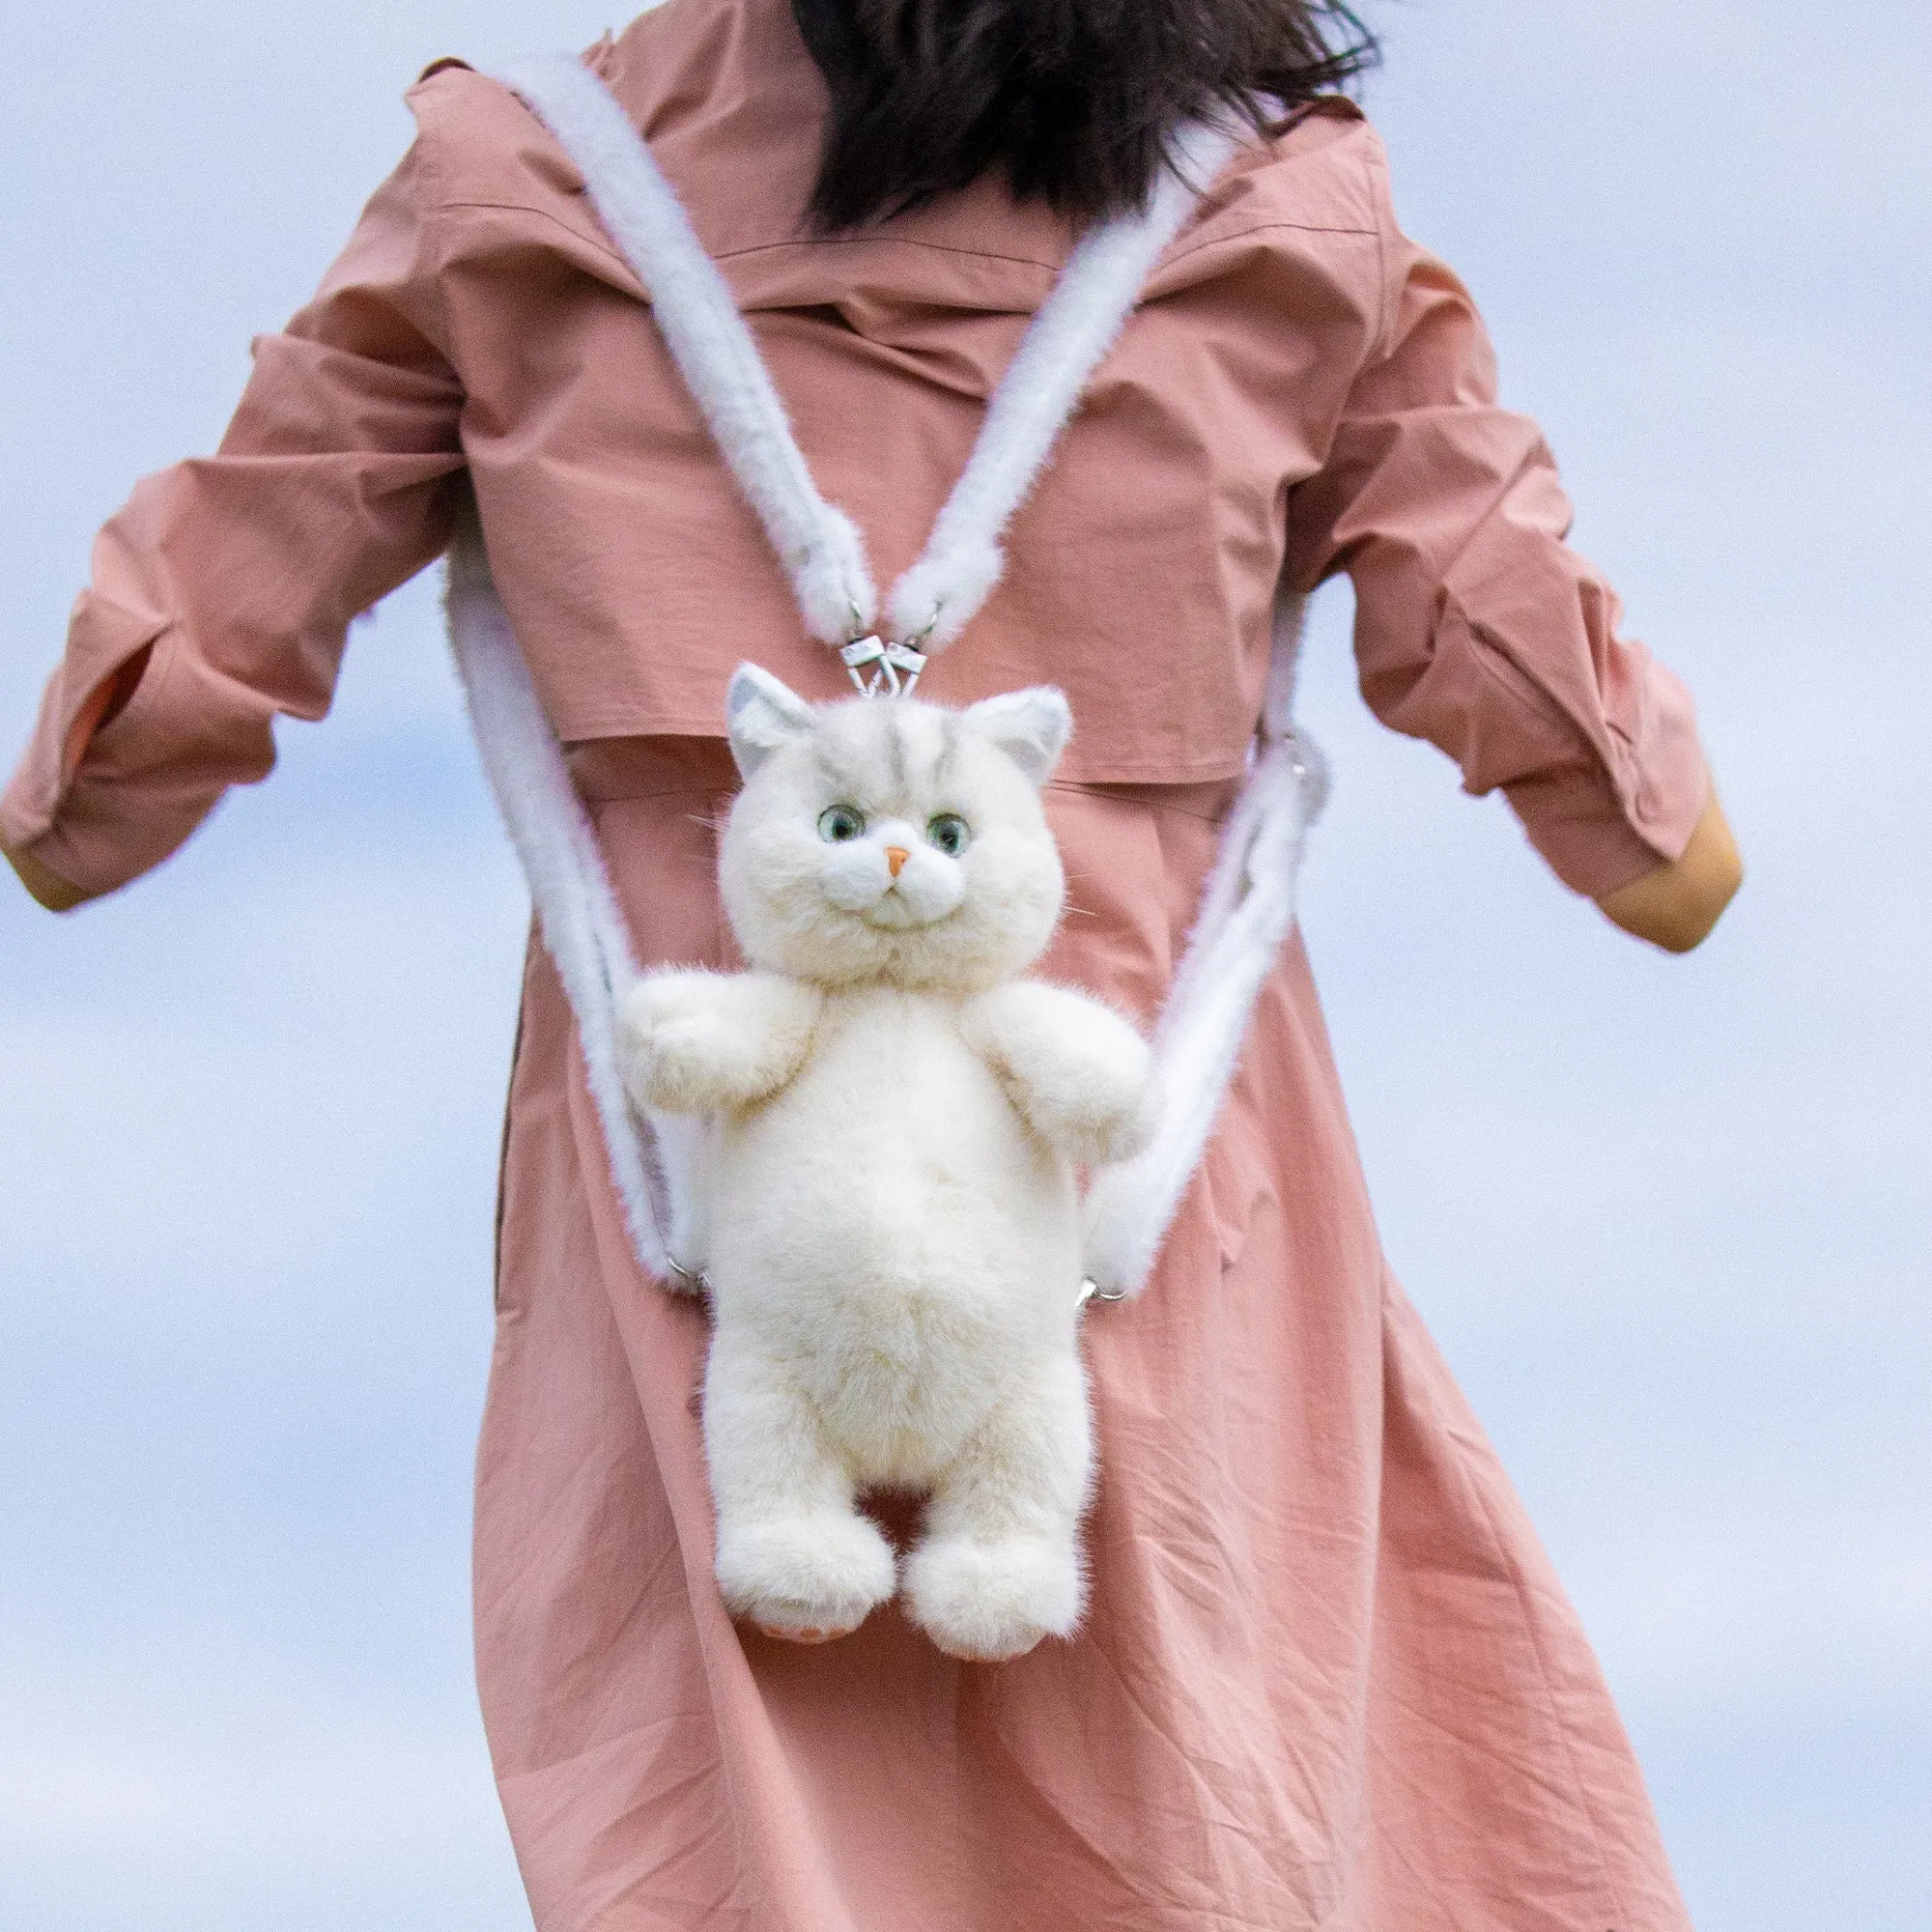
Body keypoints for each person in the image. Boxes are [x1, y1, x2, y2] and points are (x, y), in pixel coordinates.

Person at [1, 0, 1742, 1923]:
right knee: (1241, 1836)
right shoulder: (1275, 209)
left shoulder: (525, 182)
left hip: (712, 1261)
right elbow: (1644, 832)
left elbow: (107, 771)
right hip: (1150, 1220)